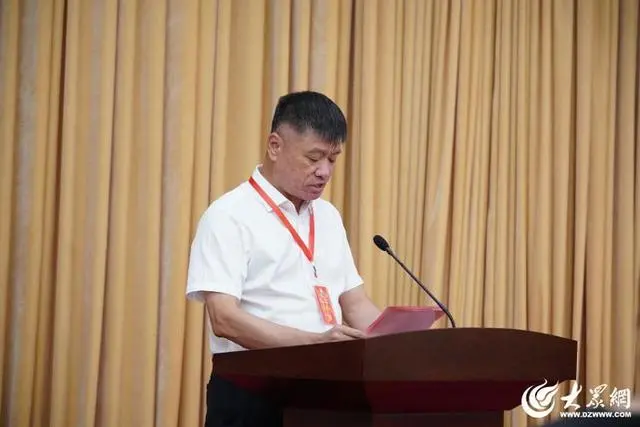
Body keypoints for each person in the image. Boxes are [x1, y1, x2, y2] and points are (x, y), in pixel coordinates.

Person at [186, 91, 382, 427]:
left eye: (333, 159)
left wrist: (399, 344)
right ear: (275, 146)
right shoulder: (229, 215)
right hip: (252, 393)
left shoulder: (328, 216)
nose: (324, 171)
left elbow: (355, 303)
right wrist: (315, 345)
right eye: (314, 158)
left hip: (324, 392)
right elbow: (224, 319)